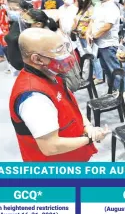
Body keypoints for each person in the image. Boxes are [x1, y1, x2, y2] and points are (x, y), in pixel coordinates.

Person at [9, 28, 107, 161]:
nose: (67, 54)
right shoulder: (34, 99)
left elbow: (71, 105)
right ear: (37, 59)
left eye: (65, 47)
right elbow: (51, 147)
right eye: (59, 50)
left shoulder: (52, 74)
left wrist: (87, 126)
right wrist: (90, 138)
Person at [86, 0, 121, 89]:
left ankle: (120, 91)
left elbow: (107, 26)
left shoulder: (112, 8)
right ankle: (112, 89)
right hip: (99, 44)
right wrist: (88, 33)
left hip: (108, 44)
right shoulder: (99, 5)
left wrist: (94, 36)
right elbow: (92, 20)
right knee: (106, 69)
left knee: (114, 69)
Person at [4, 0, 32, 70]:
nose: (11, 12)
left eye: (15, 9)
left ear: (24, 11)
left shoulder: (30, 24)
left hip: (27, 64)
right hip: (17, 63)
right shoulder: (16, 23)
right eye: (10, 9)